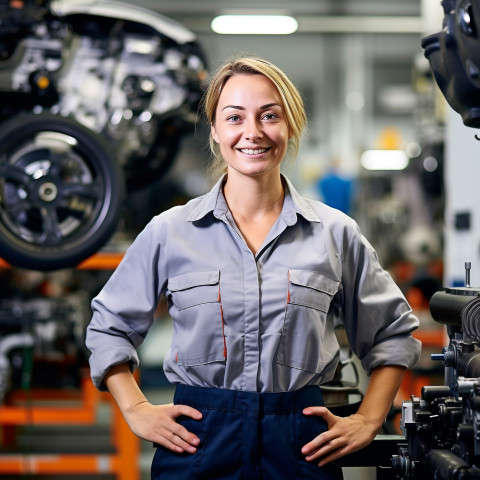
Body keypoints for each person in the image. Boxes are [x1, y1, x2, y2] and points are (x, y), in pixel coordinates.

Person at [86, 55, 421, 480]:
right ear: (215, 132)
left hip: (302, 442)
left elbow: (392, 332)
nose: (253, 132)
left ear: (291, 126)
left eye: (269, 116)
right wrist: (135, 409)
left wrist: (369, 420)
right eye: (234, 117)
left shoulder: (335, 233)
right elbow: (109, 326)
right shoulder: (171, 231)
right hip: (199, 439)